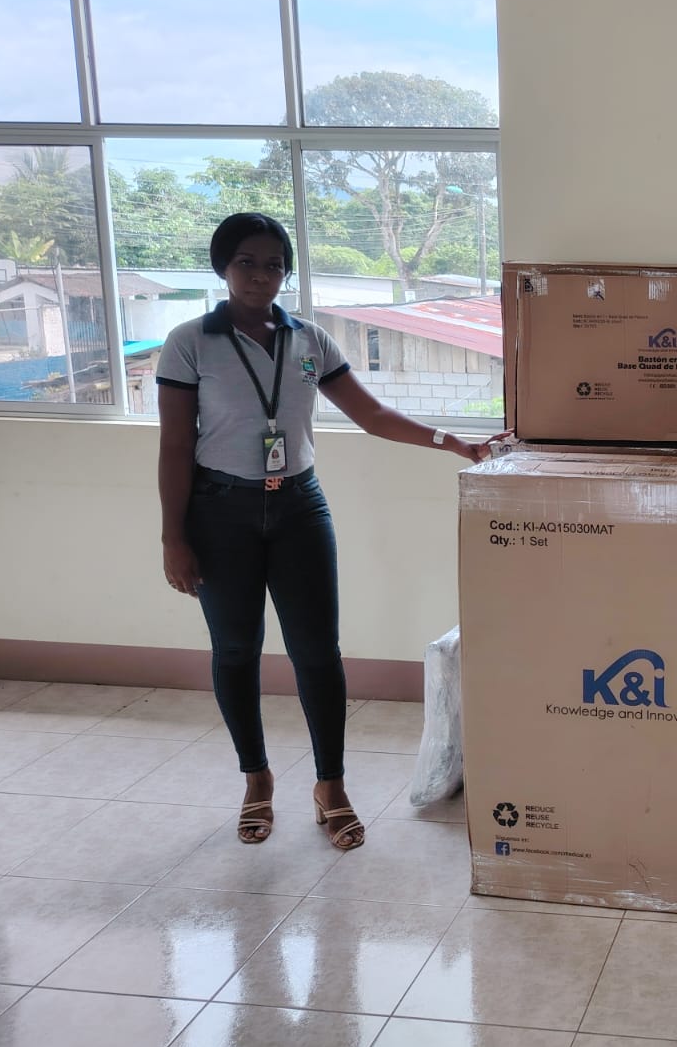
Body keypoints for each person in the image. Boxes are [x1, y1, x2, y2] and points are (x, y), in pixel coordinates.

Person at [157, 212, 502, 849]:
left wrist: (454, 442)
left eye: (273, 265)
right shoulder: (190, 342)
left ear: (286, 272)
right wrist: (173, 537)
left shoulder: (308, 340)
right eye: (246, 263)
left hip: (299, 508)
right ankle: (256, 780)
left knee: (318, 653)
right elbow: (176, 444)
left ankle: (330, 785)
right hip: (220, 512)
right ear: (222, 267)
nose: (260, 276)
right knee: (235, 651)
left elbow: (371, 414)